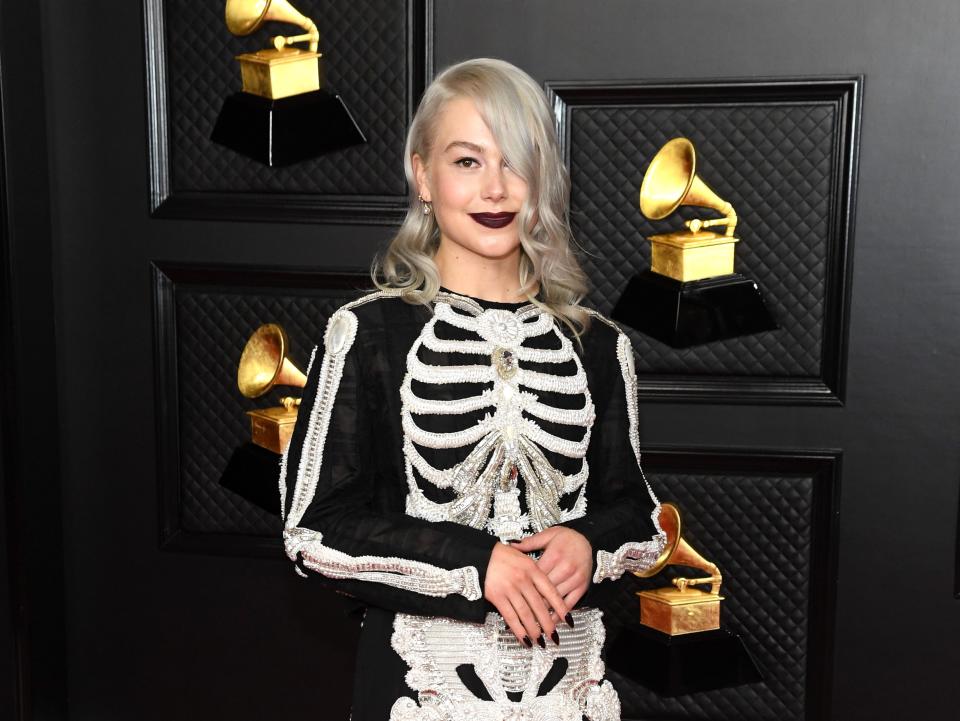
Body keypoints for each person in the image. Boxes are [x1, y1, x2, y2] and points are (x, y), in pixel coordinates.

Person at [280, 57, 665, 721]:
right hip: (420, 688)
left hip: (570, 692)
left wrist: (588, 542)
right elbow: (314, 531)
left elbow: (641, 516)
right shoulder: (366, 334)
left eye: (515, 161)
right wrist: (475, 562)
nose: (495, 188)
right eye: (466, 161)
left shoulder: (599, 345)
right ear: (421, 174)